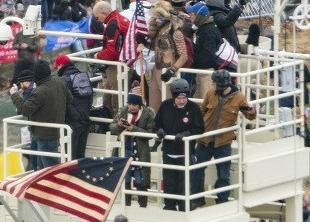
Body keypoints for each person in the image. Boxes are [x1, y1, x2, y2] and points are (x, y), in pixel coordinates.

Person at [195, 70, 256, 205]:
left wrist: (252, 111)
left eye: (214, 83)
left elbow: (250, 115)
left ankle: (222, 201)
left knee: (223, 175)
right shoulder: (211, 93)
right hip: (205, 140)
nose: (212, 85)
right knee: (197, 171)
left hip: (223, 142)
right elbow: (202, 110)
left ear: (221, 84)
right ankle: (197, 199)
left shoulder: (239, 97)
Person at [10, 60, 72, 169]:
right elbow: (69, 99)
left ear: (36, 74)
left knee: (49, 168)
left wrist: (14, 94)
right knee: (43, 167)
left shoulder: (39, 91)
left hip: (44, 135)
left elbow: (25, 109)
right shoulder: (59, 81)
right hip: (56, 131)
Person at [154, 78, 204, 210]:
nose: (182, 101)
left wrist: (186, 134)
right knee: (169, 182)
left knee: (184, 183)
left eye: (184, 98)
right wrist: (159, 131)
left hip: (185, 153)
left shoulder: (193, 108)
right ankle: (169, 206)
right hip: (169, 152)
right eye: (179, 98)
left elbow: (200, 128)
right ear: (174, 96)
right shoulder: (165, 106)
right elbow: (156, 123)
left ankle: (184, 207)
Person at [110, 93, 156, 207]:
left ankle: (142, 205)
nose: (131, 107)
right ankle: (127, 205)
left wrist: (133, 128)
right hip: (125, 148)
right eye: (130, 104)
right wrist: (120, 125)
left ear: (140, 105)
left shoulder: (148, 114)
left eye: (134, 104)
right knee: (126, 176)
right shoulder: (123, 111)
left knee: (141, 178)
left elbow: (150, 134)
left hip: (140, 151)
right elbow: (112, 127)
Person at [54, 55, 94, 160]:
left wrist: (76, 117)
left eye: (57, 67)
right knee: (81, 157)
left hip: (72, 124)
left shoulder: (62, 81)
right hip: (85, 121)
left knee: (69, 158)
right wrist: (84, 115)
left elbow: (64, 102)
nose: (57, 70)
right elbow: (90, 97)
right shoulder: (83, 76)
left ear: (61, 65)